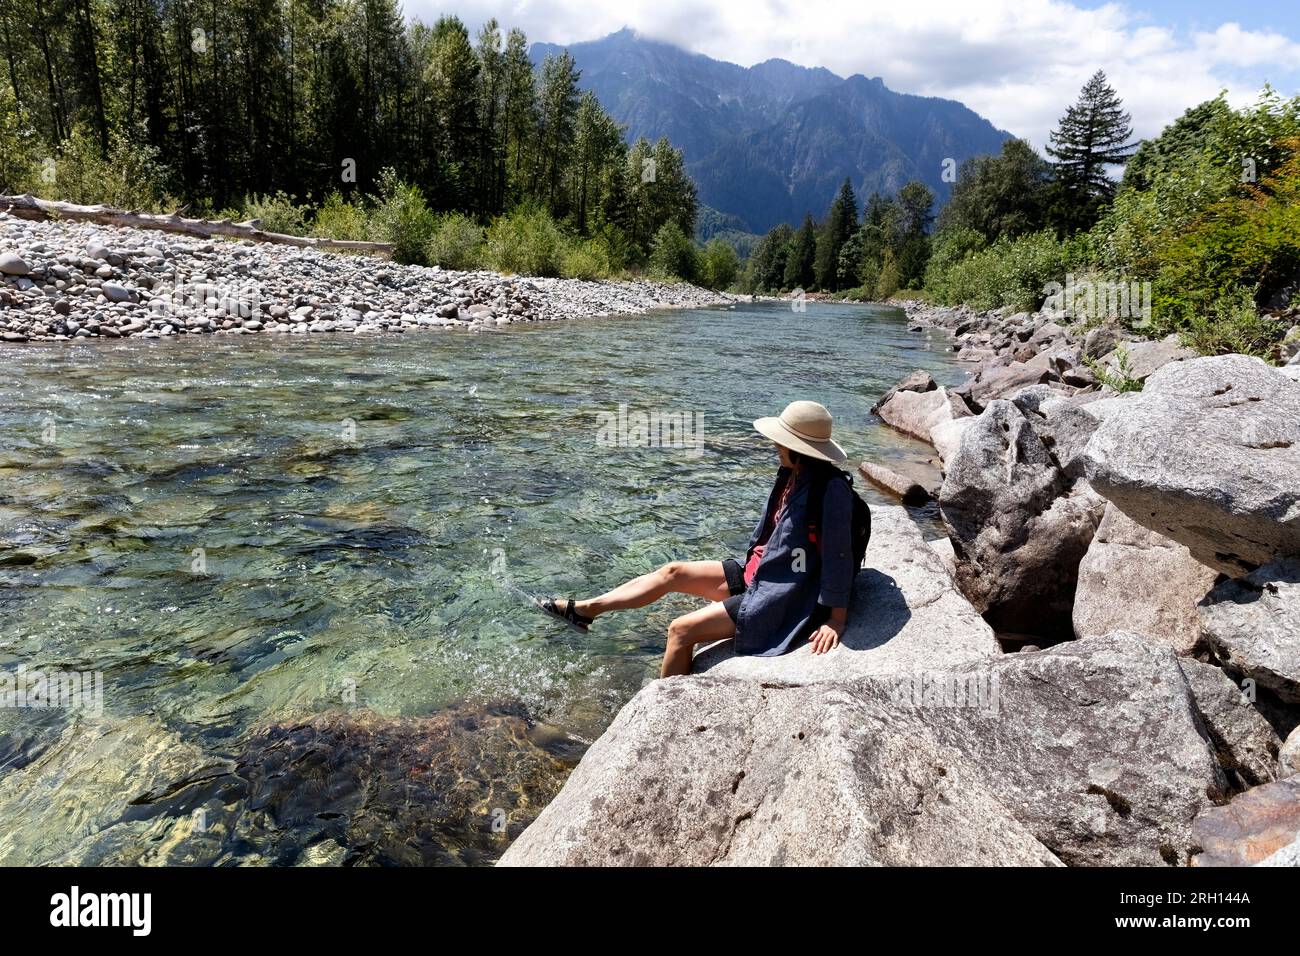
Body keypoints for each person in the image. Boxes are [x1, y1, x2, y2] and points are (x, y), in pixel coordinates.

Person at [542, 400, 856, 677]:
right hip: (757, 573)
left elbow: (838, 557)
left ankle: (662, 712)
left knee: (680, 630)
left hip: (778, 594)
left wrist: (836, 620)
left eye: (780, 441)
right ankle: (585, 610)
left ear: (797, 448)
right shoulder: (794, 473)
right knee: (672, 572)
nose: (774, 445)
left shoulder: (831, 491)